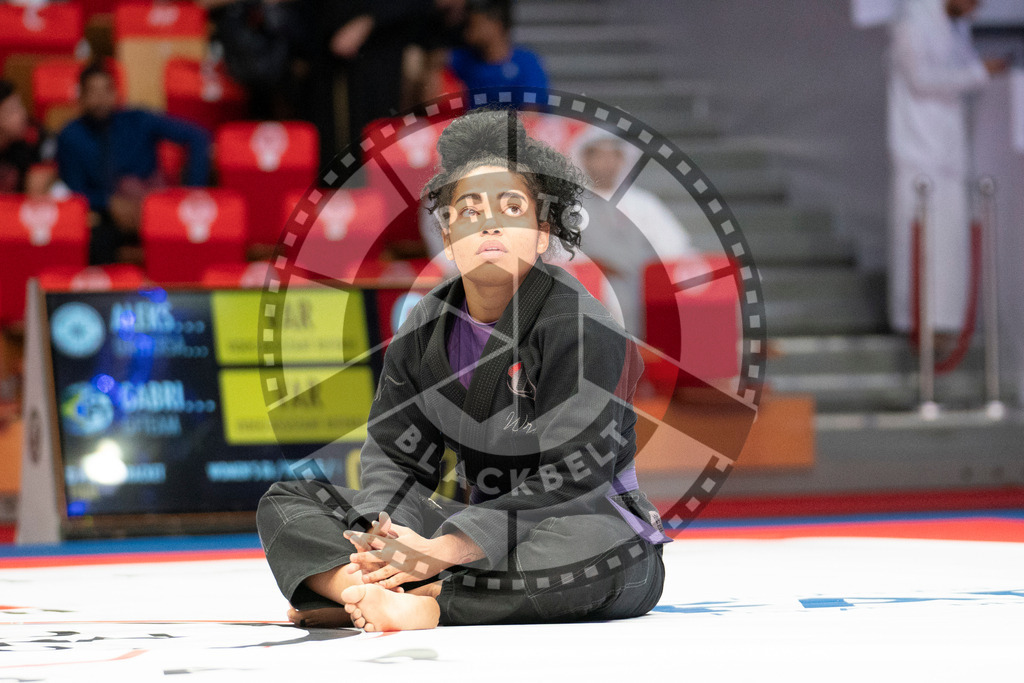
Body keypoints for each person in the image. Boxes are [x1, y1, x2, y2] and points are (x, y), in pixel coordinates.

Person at [257, 108, 668, 632]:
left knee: (593, 550)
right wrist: (387, 537)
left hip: (582, 525)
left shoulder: (582, 326)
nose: (489, 222)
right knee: (292, 498)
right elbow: (395, 456)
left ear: (544, 233)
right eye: (468, 210)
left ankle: (427, 602)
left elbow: (575, 480)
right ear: (448, 237)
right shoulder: (426, 326)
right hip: (474, 539)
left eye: (511, 207)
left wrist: (441, 552)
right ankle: (357, 586)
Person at [887, 0, 1008, 354]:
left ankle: (947, 325)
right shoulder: (909, 21)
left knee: (950, 248)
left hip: (949, 156)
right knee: (922, 247)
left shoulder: (953, 27)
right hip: (917, 156)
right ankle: (918, 326)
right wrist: (979, 72)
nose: (977, 9)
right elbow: (922, 79)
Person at [56, 62, 211, 265]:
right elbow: (74, 190)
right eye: (93, 92)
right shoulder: (70, 136)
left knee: (196, 232)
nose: (101, 99)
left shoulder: (139, 120)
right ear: (81, 98)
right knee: (96, 241)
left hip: (158, 210)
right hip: (108, 217)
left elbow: (198, 138)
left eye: (107, 90)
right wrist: (109, 203)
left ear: (116, 93)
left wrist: (189, 195)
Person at [571, 129, 696, 336]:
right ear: (584, 159)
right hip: (592, 288)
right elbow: (560, 254)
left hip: (644, 285)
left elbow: (675, 248)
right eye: (598, 155)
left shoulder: (644, 203)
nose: (606, 162)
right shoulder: (571, 204)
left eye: (613, 155)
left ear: (623, 160)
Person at [449, 0, 548, 106]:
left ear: (495, 24)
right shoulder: (459, 61)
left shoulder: (526, 63)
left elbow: (532, 113)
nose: (466, 32)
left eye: (472, 24)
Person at [0, 80, 55, 196]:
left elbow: (35, 193)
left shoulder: (36, 138)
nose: (23, 114)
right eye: (13, 111)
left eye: (20, 106)